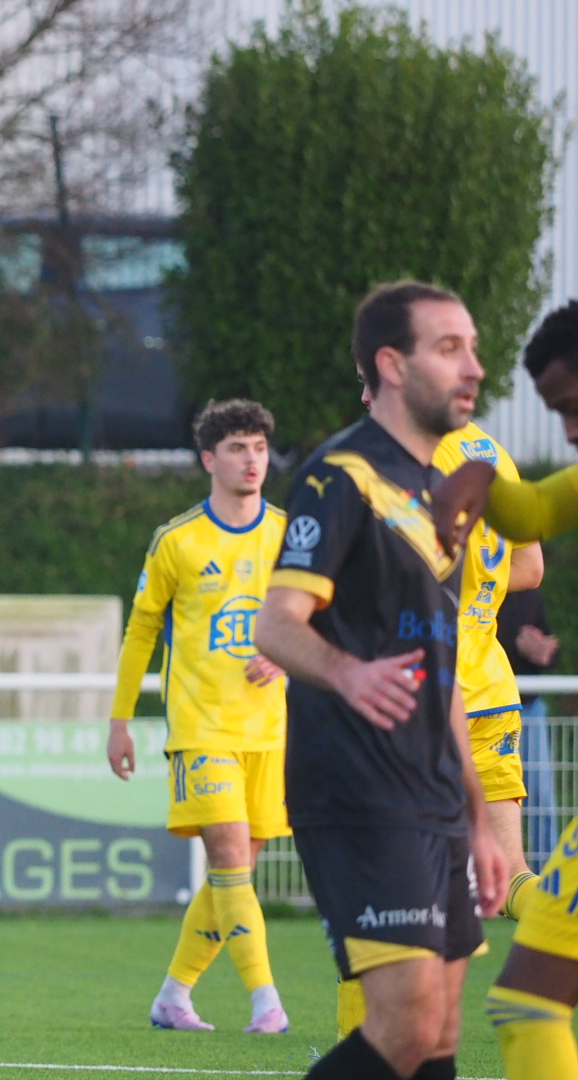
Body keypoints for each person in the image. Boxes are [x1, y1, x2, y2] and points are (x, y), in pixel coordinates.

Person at [252, 280, 503, 1080]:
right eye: (450, 348)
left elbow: (442, 674)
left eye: (473, 348)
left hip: (434, 798)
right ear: (392, 365)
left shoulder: (440, 498)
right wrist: (348, 672)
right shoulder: (341, 475)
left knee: (440, 1034)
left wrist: (478, 815)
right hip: (359, 790)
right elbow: (275, 624)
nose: (474, 368)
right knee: (405, 1023)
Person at [334, 397, 546, 1038]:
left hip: (423, 695)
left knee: (373, 877)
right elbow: (530, 567)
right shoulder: (495, 454)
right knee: (511, 874)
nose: (366, 398)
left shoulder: (406, 457)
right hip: (492, 689)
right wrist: (475, 591)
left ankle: (359, 1049)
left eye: (370, 383)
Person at [99, 399, 290, 1034]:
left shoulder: (290, 534)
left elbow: (322, 610)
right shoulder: (178, 540)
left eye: (259, 447)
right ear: (209, 459)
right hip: (201, 728)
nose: (252, 459)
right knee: (231, 861)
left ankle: (173, 995)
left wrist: (285, 656)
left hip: (269, 730)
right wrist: (120, 720)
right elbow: (140, 631)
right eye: (237, 448)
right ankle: (266, 1002)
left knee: (233, 875)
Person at [430, 297, 578, 1080]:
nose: (569, 433)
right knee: (525, 1002)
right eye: (557, 414)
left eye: (573, 406)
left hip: (443, 693)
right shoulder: (483, 455)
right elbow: (535, 522)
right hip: (483, 686)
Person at [499, 588, 559, 859]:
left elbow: (549, 649)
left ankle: (548, 876)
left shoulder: (530, 593)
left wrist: (544, 651)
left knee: (540, 799)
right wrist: (518, 646)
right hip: (489, 709)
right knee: (490, 797)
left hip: (529, 709)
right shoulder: (477, 587)